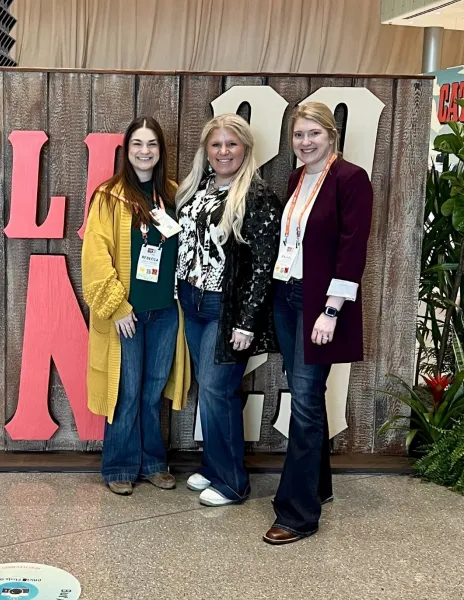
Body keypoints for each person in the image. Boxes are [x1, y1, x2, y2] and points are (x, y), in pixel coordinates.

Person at [264, 102, 373, 544]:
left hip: (320, 304)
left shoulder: (350, 179)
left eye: (313, 134)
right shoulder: (296, 178)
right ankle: (319, 486)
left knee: (305, 401)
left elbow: (353, 249)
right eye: (298, 135)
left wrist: (331, 310)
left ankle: (297, 514)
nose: (305, 142)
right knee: (307, 394)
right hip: (289, 295)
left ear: (331, 135)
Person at [175, 114, 281, 507]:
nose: (223, 152)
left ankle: (234, 482)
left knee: (218, 389)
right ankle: (215, 466)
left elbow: (263, 266)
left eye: (231, 144)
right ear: (207, 149)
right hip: (192, 299)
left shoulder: (257, 196)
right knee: (209, 388)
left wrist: (247, 322)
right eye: (216, 144)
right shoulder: (197, 189)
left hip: (226, 306)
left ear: (245, 149)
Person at [81, 116, 190, 496]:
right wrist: (117, 306)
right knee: (126, 390)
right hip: (126, 314)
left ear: (161, 151)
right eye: (137, 144)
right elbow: (95, 256)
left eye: (152, 145)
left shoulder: (175, 195)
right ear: (127, 152)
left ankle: (154, 463)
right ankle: (120, 464)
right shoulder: (109, 196)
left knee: (152, 390)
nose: (145, 152)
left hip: (164, 312)